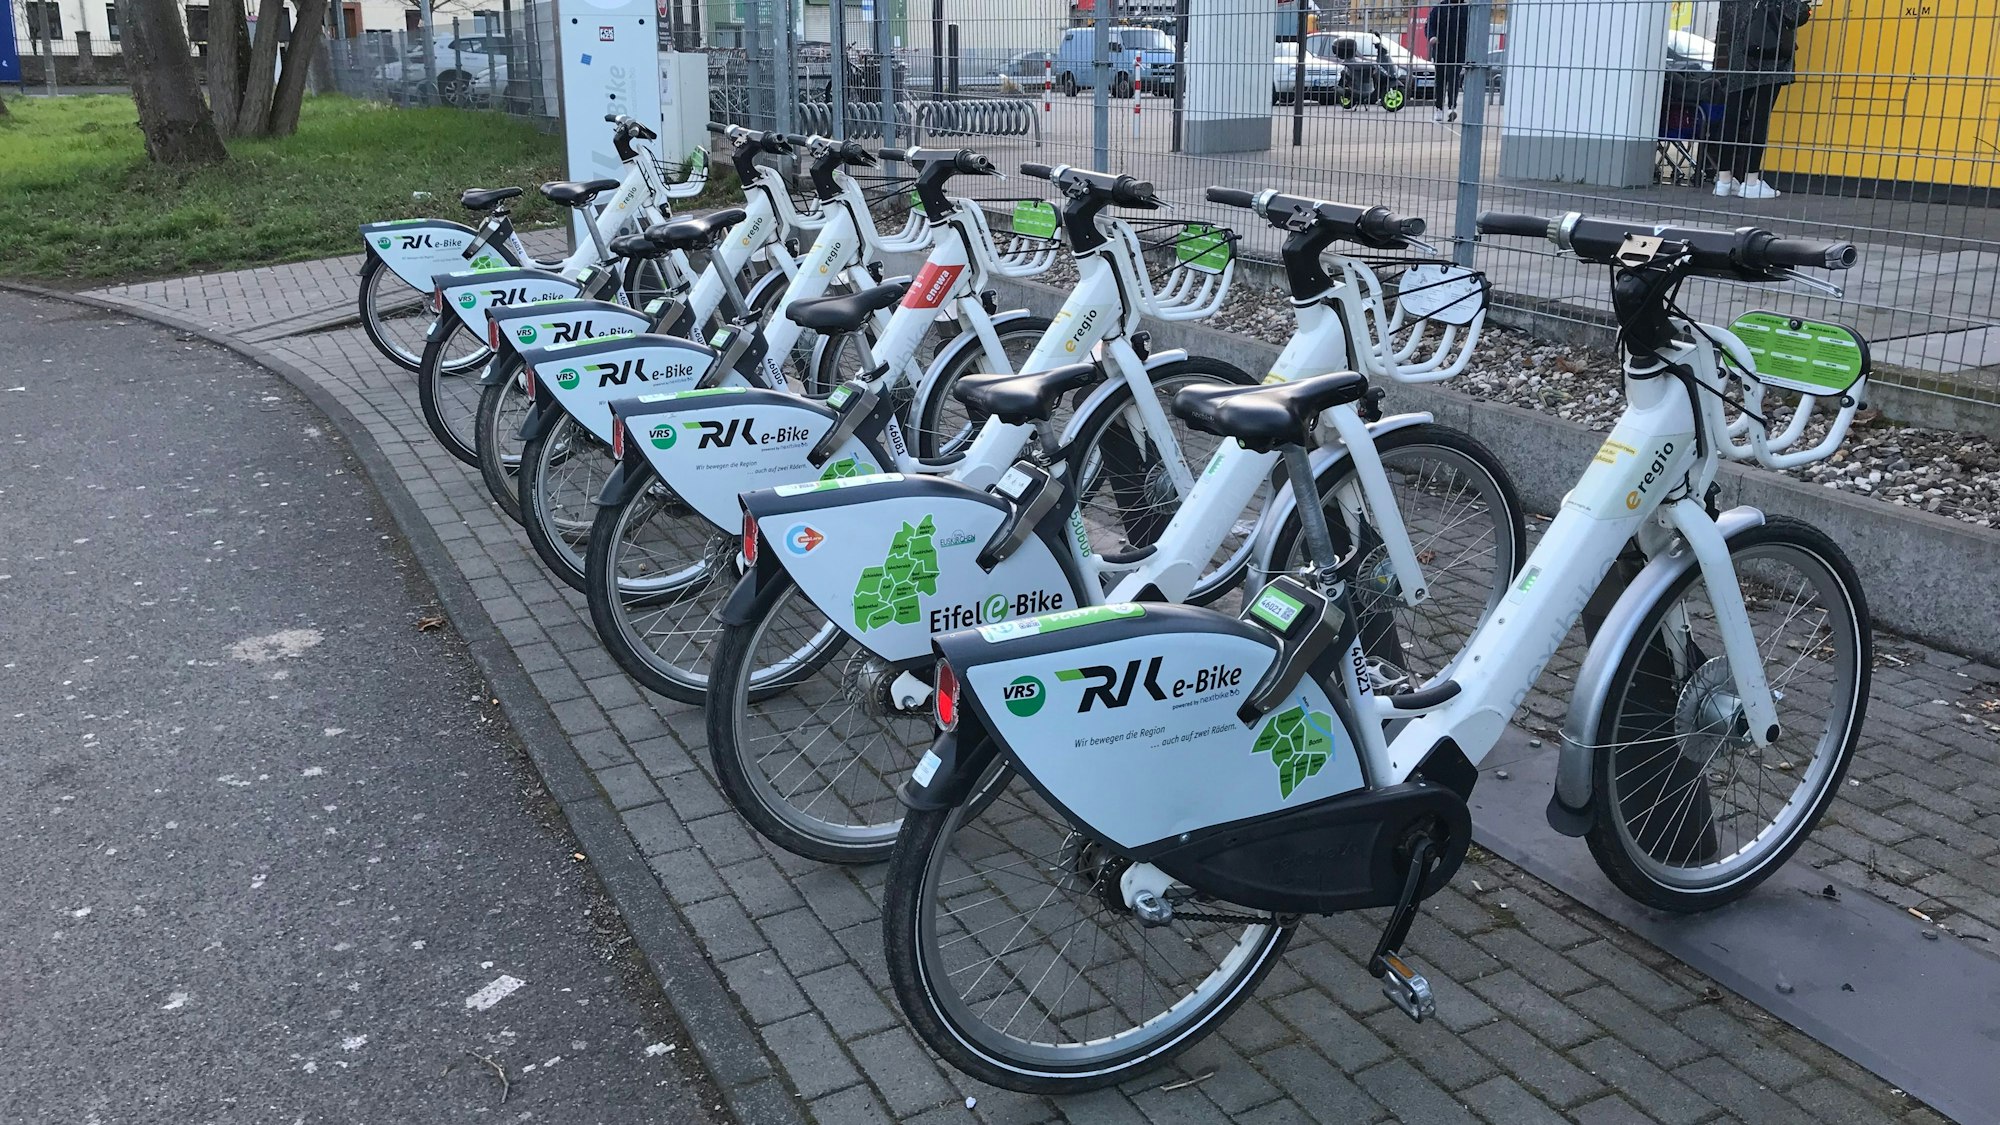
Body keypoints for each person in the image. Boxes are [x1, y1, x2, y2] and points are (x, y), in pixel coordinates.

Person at [1711, 0, 1813, 199]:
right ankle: (1751, 182)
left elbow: (1729, 20)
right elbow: (1794, 16)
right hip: (1771, 60)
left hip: (1740, 57)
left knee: (1732, 116)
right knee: (1760, 117)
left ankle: (1724, 180)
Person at [1426, 0, 1470, 123]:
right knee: (1440, 80)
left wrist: (1466, 43)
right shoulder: (1439, 8)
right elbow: (1429, 25)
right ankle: (1439, 108)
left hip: (1457, 52)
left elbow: (1470, 28)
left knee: (1453, 79)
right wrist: (1432, 36)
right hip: (1441, 51)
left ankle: (1452, 107)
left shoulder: (1466, 9)